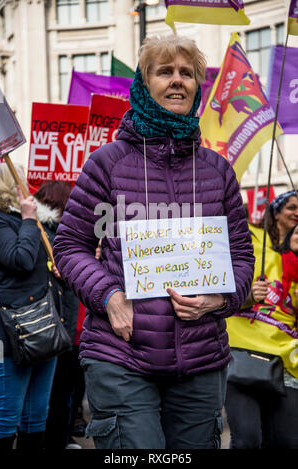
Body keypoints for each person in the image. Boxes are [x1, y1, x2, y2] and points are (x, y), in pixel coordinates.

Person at [53, 34, 254, 449]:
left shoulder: (218, 171)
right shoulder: (106, 164)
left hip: (200, 359)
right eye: (165, 72)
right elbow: (69, 245)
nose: (177, 81)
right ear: (144, 84)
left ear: (198, 85)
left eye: (187, 73)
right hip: (120, 352)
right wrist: (108, 296)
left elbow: (241, 257)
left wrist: (219, 300)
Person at [225, 190, 298, 449]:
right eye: (291, 206)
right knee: (247, 441)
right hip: (241, 355)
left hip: (288, 363)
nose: (297, 213)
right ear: (275, 212)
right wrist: (247, 295)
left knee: (286, 442)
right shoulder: (250, 240)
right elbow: (218, 284)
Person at [0, 165, 60, 449]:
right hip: (8, 336)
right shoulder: (2, 222)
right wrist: (27, 219)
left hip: (43, 328)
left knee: (36, 417)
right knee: (5, 418)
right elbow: (21, 259)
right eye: (19, 177)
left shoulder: (29, 220)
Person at [31, 181, 81, 450]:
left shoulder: (63, 236)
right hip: (58, 327)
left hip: (55, 327)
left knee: (56, 392)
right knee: (57, 392)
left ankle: (58, 438)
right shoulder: (43, 236)